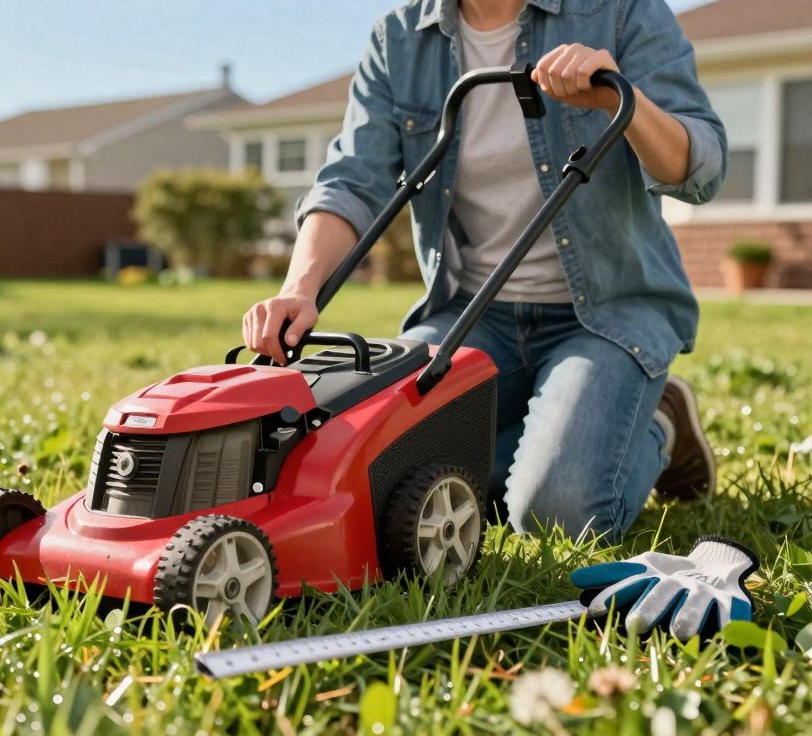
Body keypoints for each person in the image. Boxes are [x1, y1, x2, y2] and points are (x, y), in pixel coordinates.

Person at [242, 0, 725, 540]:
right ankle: (547, 430)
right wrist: (300, 287)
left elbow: (699, 169)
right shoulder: (399, 38)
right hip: (471, 316)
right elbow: (353, 180)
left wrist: (619, 98)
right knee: (372, 472)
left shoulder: (619, 12)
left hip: (607, 317)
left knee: (555, 515)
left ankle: (660, 421)